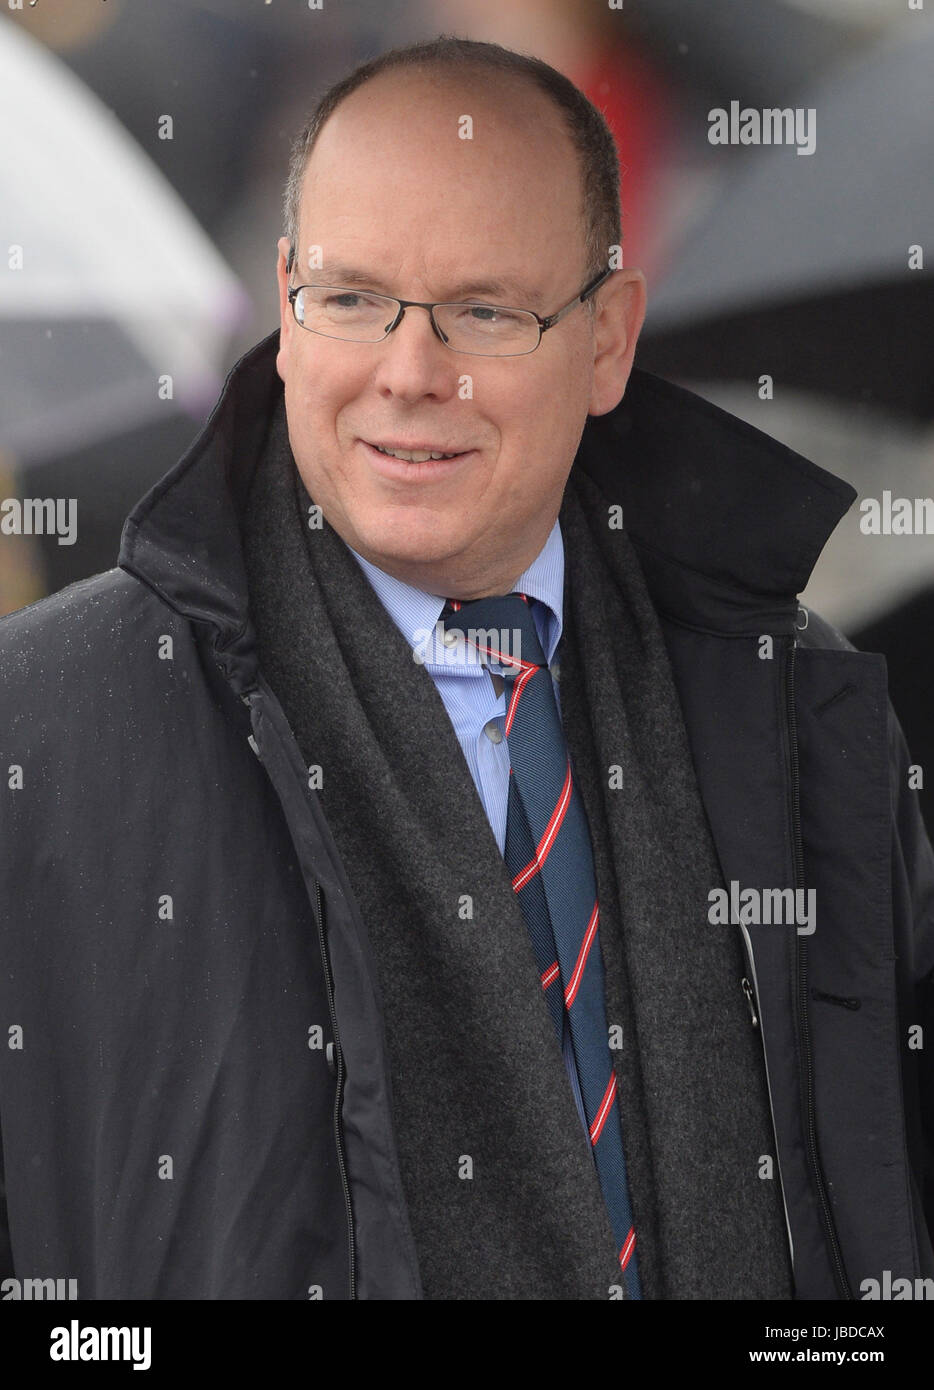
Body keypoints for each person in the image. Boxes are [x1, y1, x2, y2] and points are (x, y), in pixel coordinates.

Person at [0, 35, 931, 1303]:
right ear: (283, 307)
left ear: (608, 339)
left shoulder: (791, 708)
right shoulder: (49, 723)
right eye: (351, 299)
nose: (408, 373)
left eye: (484, 312)